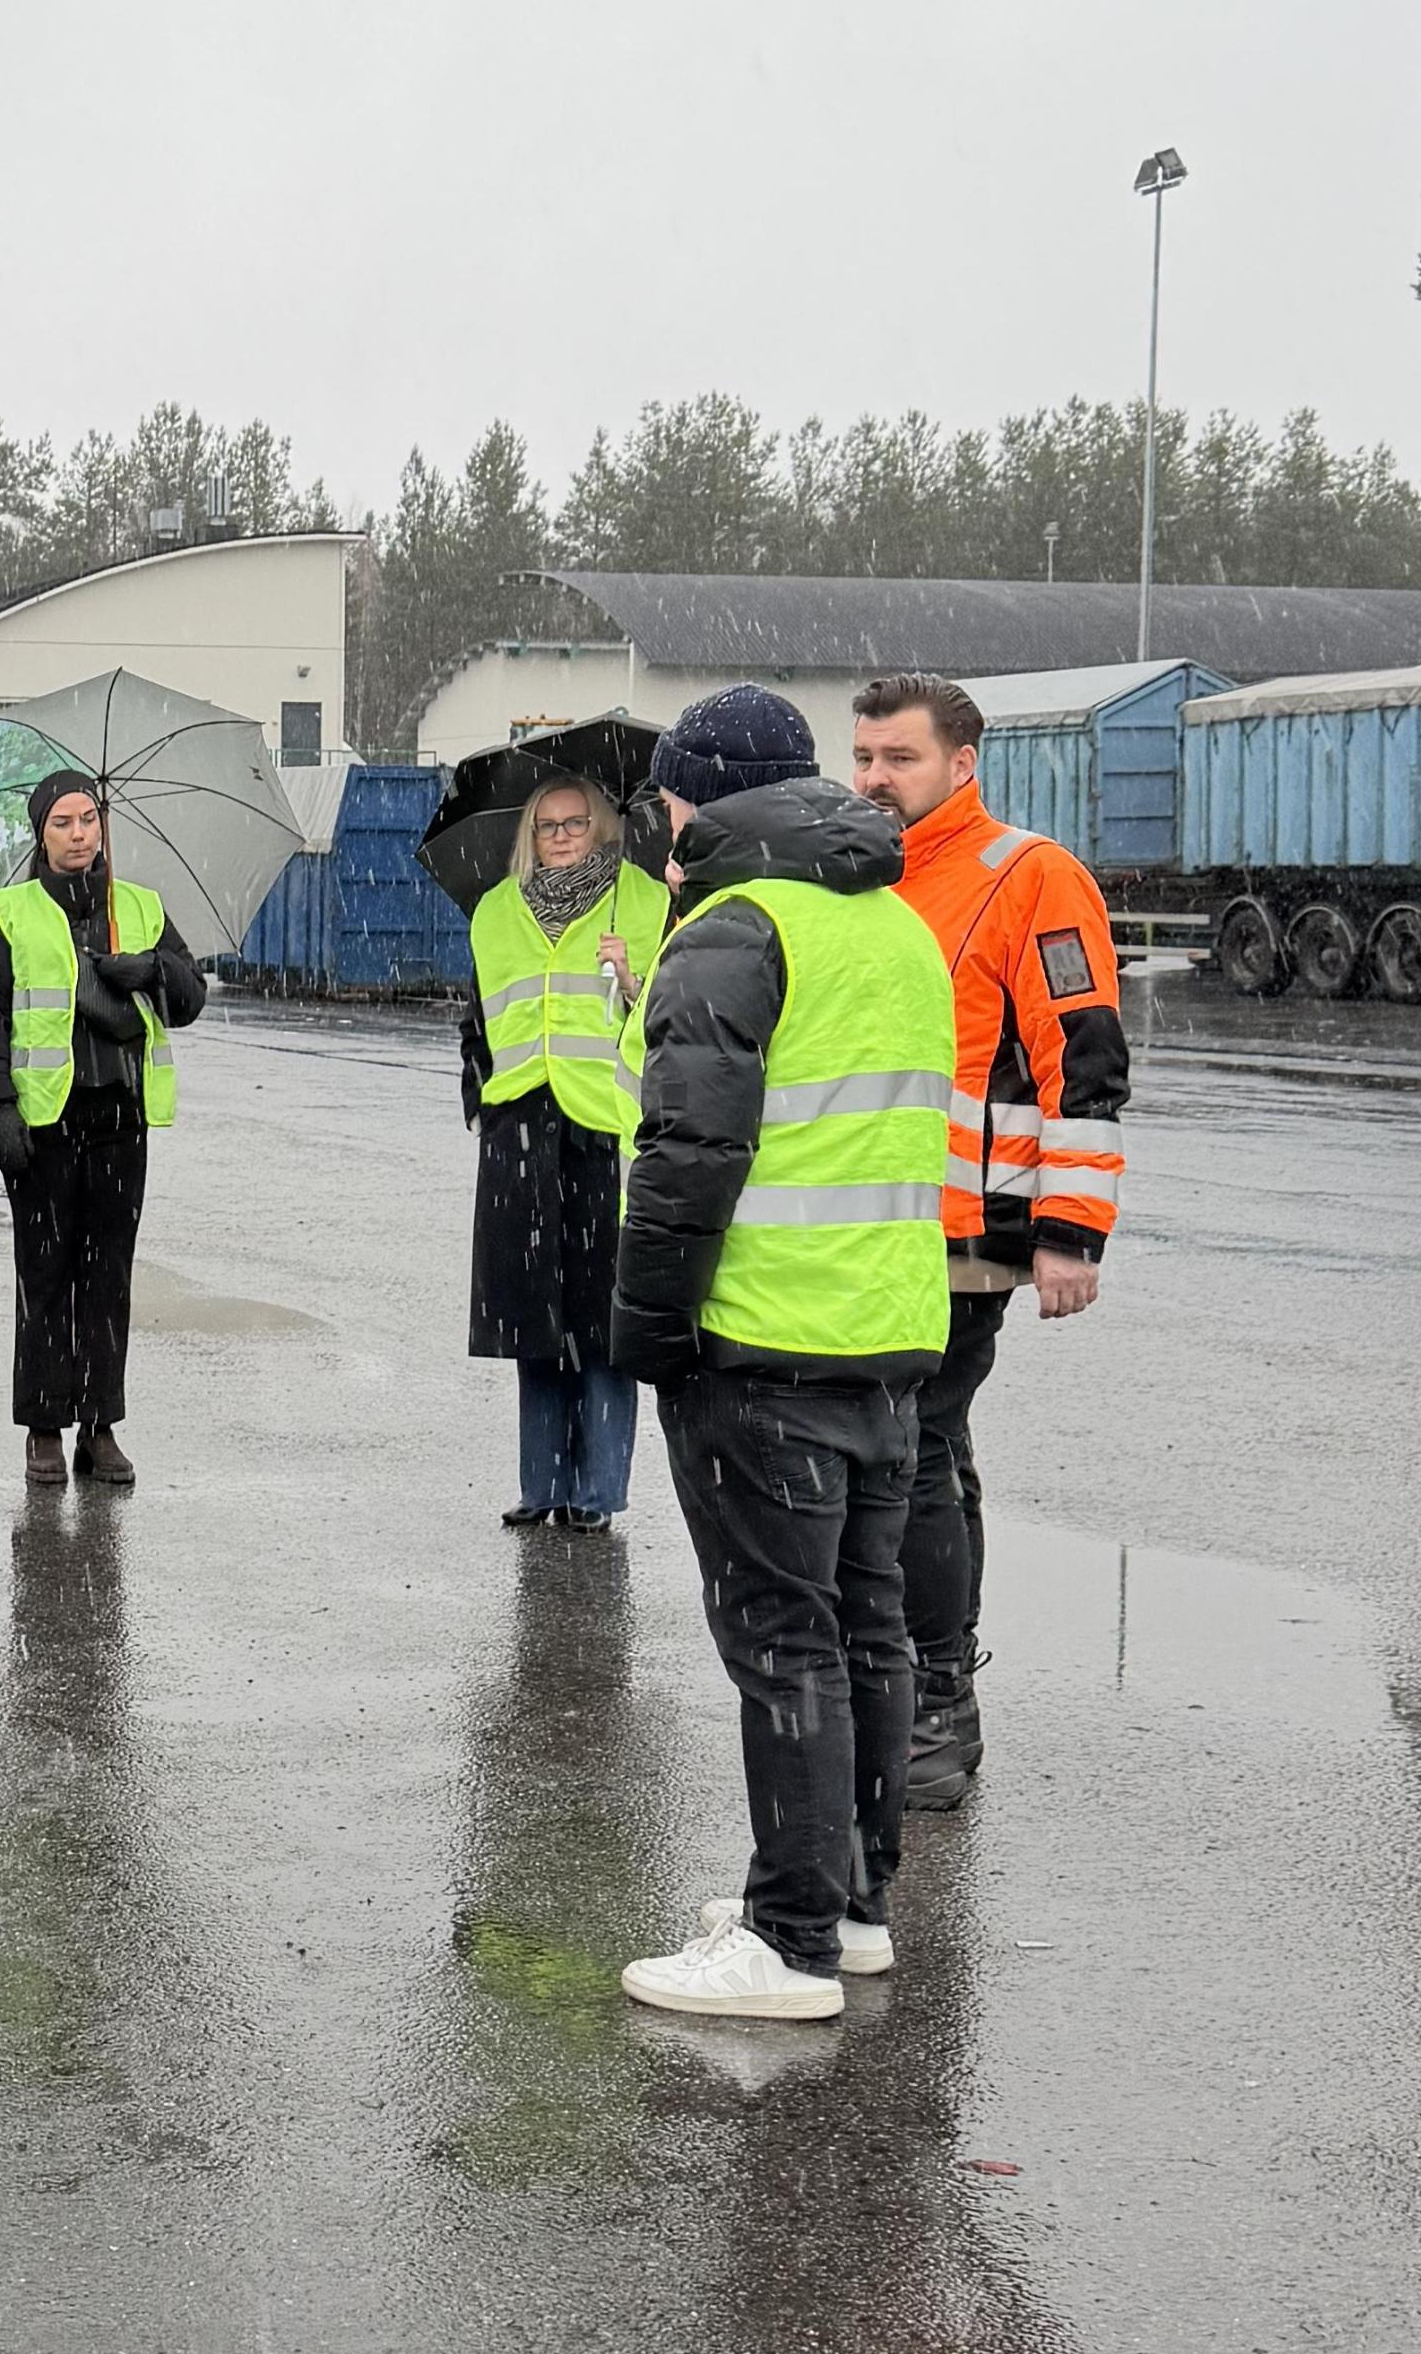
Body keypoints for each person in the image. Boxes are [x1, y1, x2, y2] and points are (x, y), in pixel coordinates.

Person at [605, 686, 957, 2028]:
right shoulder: (892, 926)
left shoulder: (736, 928)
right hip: (884, 1335)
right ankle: (847, 1902)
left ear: (695, 799)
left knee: (781, 1643)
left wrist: (644, 1330)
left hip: (761, 1341)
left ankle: (788, 1940)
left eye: (666, 799)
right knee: (867, 1632)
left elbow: (688, 1157)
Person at [843, 671, 1130, 1809]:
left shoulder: (1029, 873)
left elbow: (1087, 1055)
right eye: (863, 756)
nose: (873, 777)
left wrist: (1072, 1231)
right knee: (913, 1448)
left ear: (961, 763)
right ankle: (911, 1690)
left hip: (973, 1228)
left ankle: (937, 1704)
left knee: (912, 1448)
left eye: (897, 758)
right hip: (873, 1223)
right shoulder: (865, 873)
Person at [0, 769, 206, 1489]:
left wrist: (153, 968)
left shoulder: (141, 908)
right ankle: (42, 1429)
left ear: (103, 828)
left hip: (121, 1121)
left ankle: (101, 1424)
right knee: (43, 1275)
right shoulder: (9, 914)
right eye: (61, 823)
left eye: (87, 820)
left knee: (107, 1279)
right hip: (45, 1127)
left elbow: (191, 999)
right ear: (41, 834)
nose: (77, 835)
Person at [459, 766, 669, 1532]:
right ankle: (541, 1485)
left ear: (603, 829)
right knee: (533, 1318)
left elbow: (675, 1014)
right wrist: (477, 1086)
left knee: (602, 1323)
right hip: (520, 1128)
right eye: (548, 827)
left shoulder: (646, 903)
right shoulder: (494, 910)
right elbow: (478, 1014)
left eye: (575, 824)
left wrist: (632, 975)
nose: (560, 838)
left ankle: (597, 1493)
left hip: (604, 1131)